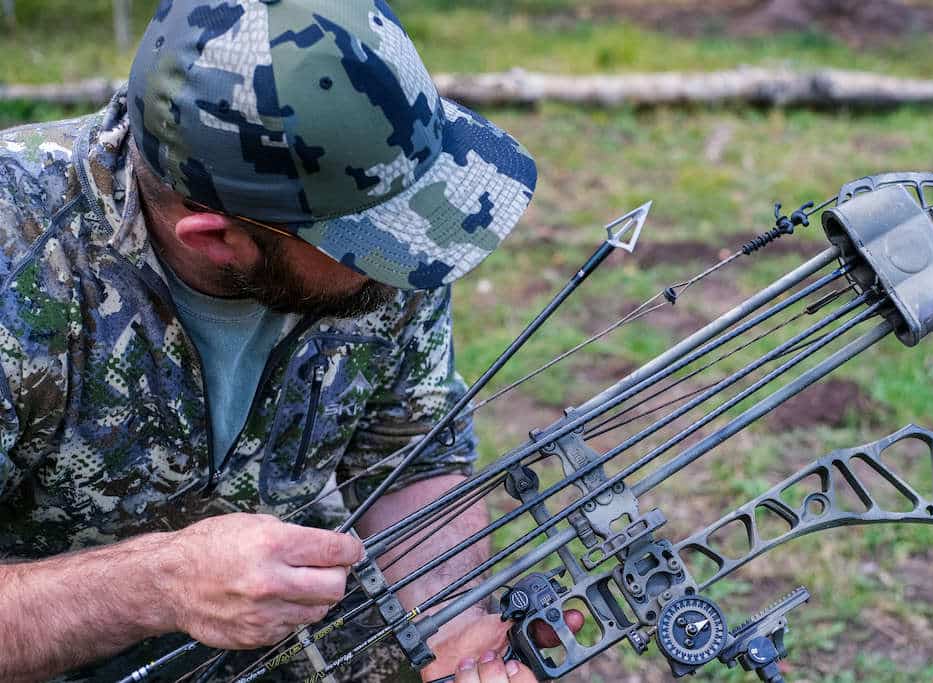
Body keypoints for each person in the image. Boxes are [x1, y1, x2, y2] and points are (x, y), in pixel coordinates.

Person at [0, 1, 580, 680]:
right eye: (372, 239)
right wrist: (159, 582)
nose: (413, 255)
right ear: (218, 238)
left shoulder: (388, 234)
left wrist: (449, 625)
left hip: (280, 622)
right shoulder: (19, 252)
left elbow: (410, 455)